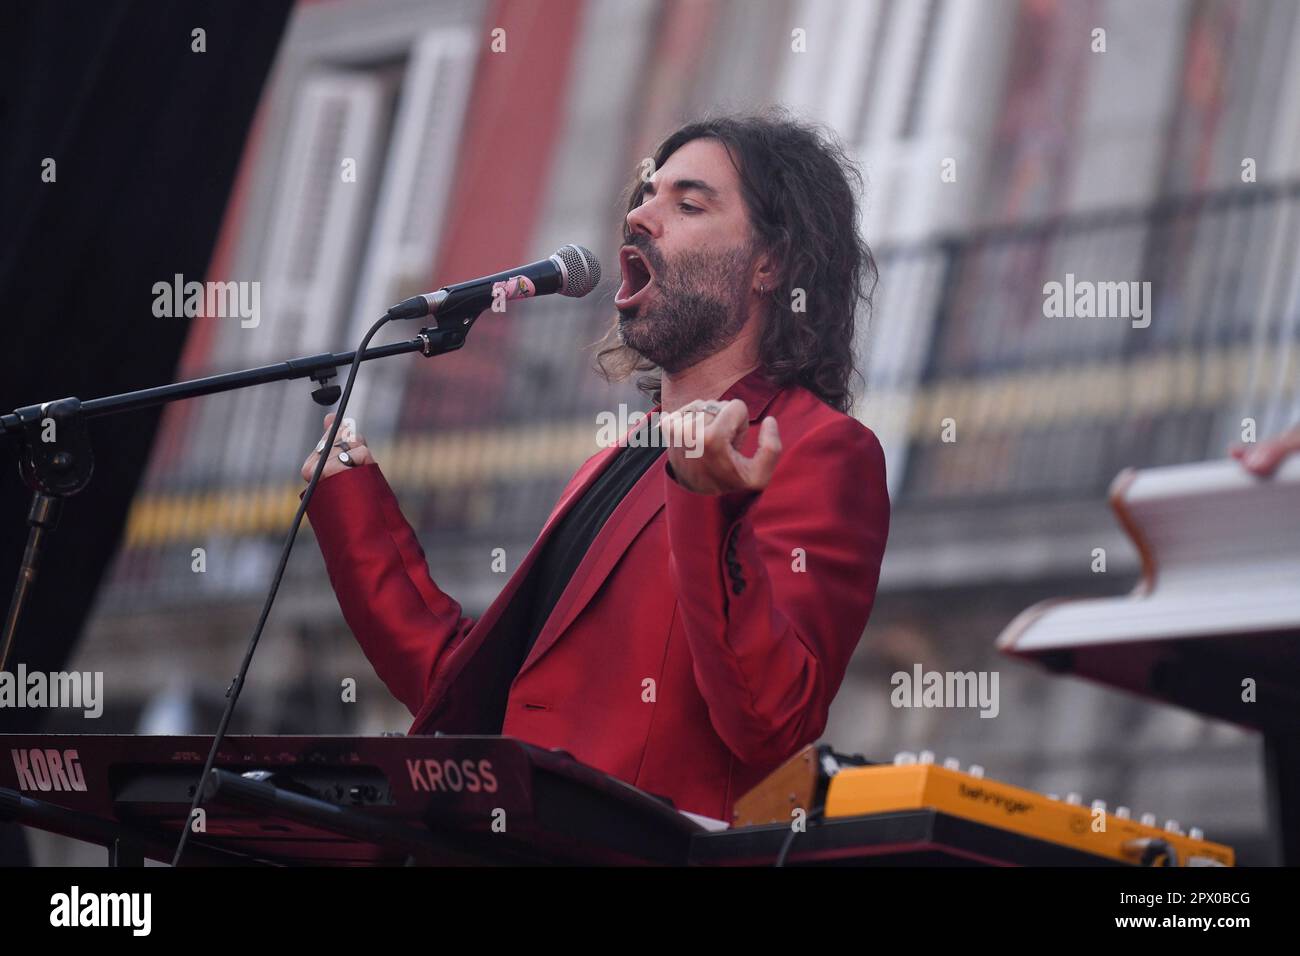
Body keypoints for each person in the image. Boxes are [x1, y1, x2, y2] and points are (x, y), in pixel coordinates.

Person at [300, 111, 890, 821]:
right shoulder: (614, 460)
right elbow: (466, 694)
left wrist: (707, 507)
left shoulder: (821, 450)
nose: (640, 215)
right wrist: (352, 511)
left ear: (773, 264)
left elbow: (770, 721)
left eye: (687, 203)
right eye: (646, 194)